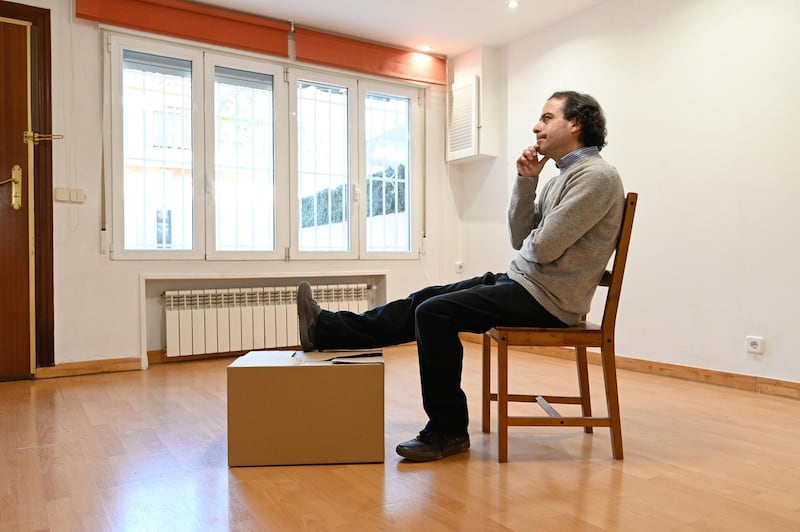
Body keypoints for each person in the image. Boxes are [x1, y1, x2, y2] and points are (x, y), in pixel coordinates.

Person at [297, 91, 625, 462]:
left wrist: (535, 242)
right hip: (524, 284)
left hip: (548, 301)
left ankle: (448, 430)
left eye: (547, 118)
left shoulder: (597, 177)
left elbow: (544, 247)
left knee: (434, 314)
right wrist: (526, 181)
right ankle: (326, 328)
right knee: (426, 299)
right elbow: (522, 238)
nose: (537, 126)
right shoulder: (560, 178)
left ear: (575, 123)